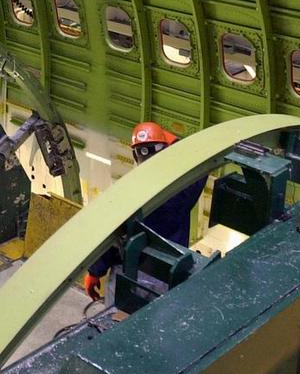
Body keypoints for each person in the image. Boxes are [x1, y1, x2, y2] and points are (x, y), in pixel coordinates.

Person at [83, 122, 207, 301]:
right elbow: (199, 156)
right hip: (166, 277)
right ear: (165, 150)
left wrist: (94, 273)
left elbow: (110, 240)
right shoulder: (184, 188)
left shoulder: (127, 195)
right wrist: (173, 143)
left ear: (135, 156)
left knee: (117, 317)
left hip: (128, 274)